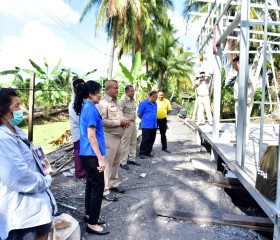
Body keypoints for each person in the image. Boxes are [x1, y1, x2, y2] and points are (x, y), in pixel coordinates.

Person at [0, 88, 57, 240]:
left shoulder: (16, 130)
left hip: (36, 202)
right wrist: (45, 181)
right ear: (3, 111)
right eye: (17, 106)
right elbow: (19, 177)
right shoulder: (2, 139)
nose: (21, 110)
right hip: (21, 211)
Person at [74, 80, 109, 235]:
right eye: (98, 92)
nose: (100, 94)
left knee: (91, 184)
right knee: (97, 187)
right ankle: (92, 224)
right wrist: (100, 159)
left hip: (87, 154)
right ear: (90, 94)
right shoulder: (90, 109)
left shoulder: (87, 107)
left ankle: (89, 216)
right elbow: (91, 136)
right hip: (92, 154)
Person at [97, 80, 130, 201]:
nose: (117, 90)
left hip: (118, 138)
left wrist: (124, 121)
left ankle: (113, 184)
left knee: (115, 163)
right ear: (108, 89)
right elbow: (102, 121)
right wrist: (119, 122)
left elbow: (119, 116)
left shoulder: (116, 102)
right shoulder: (103, 103)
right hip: (108, 137)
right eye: (115, 88)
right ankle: (105, 190)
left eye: (117, 88)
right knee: (107, 165)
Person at [231, 56, 256, 144]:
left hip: (245, 100)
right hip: (239, 100)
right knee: (238, 120)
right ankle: (238, 138)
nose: (233, 67)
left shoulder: (246, 72)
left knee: (245, 120)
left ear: (238, 63)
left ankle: (246, 140)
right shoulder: (239, 73)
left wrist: (249, 97)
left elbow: (253, 85)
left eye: (234, 65)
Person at [119, 85, 141, 170]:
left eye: (133, 91)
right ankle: (123, 161)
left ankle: (132, 159)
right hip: (126, 124)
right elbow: (119, 113)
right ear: (126, 92)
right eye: (131, 91)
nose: (133, 92)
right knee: (125, 143)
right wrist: (123, 122)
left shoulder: (132, 100)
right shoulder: (123, 100)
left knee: (133, 141)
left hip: (133, 123)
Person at [68, 78, 86, 179]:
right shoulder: (73, 104)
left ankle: (84, 172)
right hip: (79, 133)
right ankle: (80, 173)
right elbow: (79, 120)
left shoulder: (83, 101)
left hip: (84, 132)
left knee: (83, 153)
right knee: (79, 154)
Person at [137, 91, 158, 159]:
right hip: (146, 125)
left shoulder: (155, 104)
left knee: (152, 139)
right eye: (156, 97)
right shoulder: (143, 103)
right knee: (145, 139)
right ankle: (141, 153)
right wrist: (145, 119)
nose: (156, 98)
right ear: (152, 96)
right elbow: (139, 114)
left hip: (154, 125)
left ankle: (148, 152)